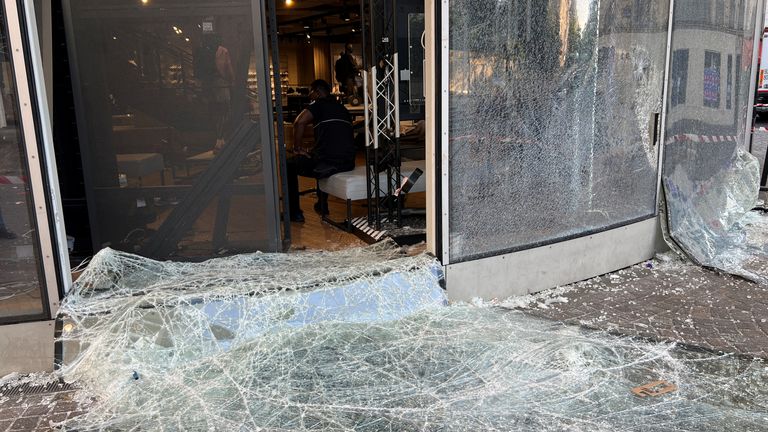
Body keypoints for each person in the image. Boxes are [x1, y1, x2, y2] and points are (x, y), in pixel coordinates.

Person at [286, 79, 356, 222]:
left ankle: (294, 213)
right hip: (348, 162)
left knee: (289, 165)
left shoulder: (318, 105)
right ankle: (321, 204)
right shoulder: (342, 108)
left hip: (329, 161)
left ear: (317, 92)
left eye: (310, 93)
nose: (309, 96)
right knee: (318, 154)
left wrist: (297, 148)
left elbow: (299, 122)